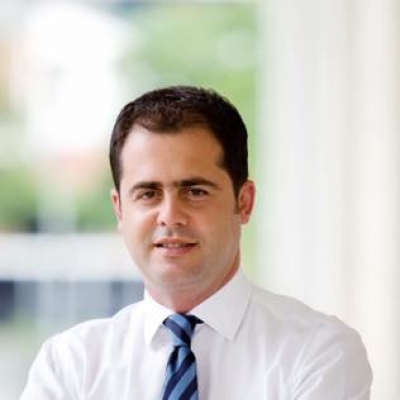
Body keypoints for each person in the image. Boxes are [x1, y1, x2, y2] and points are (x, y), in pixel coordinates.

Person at [21, 86, 372, 400]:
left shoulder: (318, 352)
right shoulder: (70, 365)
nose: (170, 216)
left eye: (195, 191)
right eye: (148, 193)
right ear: (120, 210)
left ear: (244, 202)